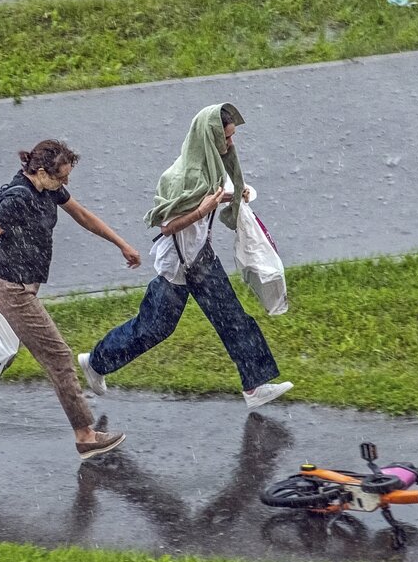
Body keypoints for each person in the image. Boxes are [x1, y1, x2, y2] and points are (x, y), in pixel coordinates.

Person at [0, 139, 141, 459]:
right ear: (41, 172)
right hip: (12, 290)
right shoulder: (18, 198)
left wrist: (120, 243)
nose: (65, 183)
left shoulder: (47, 188)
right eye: (61, 177)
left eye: (67, 177)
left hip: (20, 286)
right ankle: (85, 434)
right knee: (58, 356)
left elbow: (81, 214)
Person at [78, 103, 293, 409]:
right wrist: (201, 211)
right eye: (227, 138)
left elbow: (216, 192)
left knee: (233, 320)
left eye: (231, 137)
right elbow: (166, 226)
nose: (231, 144)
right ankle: (96, 362)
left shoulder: (211, 165)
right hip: (177, 268)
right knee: (153, 329)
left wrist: (236, 194)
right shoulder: (180, 177)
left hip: (201, 259)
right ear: (210, 137)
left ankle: (254, 386)